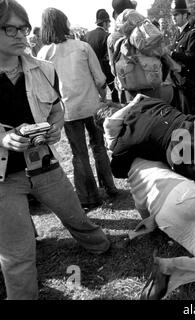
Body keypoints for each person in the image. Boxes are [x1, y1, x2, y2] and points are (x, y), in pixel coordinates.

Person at [0, 0, 110, 299]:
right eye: (12, 28)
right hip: (4, 179)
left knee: (77, 217)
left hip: (43, 165)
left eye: (24, 27)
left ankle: (103, 246)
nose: (22, 34)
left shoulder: (45, 69)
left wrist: (54, 127)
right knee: (17, 255)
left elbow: (56, 108)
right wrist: (3, 139)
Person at [38, 7, 118, 210]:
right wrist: (102, 95)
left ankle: (88, 196)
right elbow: (100, 78)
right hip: (92, 106)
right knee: (99, 147)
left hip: (67, 111)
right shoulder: (82, 47)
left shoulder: (43, 54)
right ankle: (109, 186)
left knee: (79, 153)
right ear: (64, 23)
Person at [170, 0, 195, 116]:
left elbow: (191, 57)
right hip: (176, 79)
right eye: (172, 15)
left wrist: (171, 54)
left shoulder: (192, 33)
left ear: (185, 15)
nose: (173, 17)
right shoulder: (177, 33)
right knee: (181, 112)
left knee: (189, 112)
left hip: (187, 79)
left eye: (176, 14)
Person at [84, 9, 120, 104]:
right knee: (115, 93)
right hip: (107, 73)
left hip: (90, 72)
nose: (109, 25)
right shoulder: (107, 36)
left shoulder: (86, 36)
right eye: (108, 23)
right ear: (104, 23)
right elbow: (111, 57)